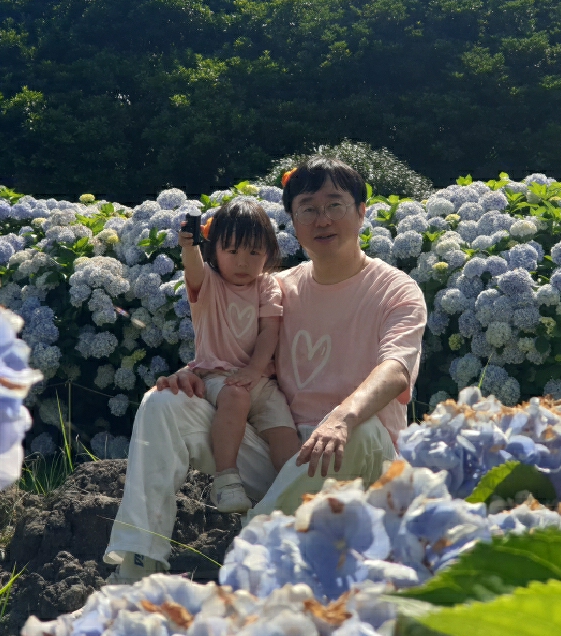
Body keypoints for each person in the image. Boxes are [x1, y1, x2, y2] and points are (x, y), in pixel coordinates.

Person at [104, 157, 427, 583]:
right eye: (308, 208)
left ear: (361, 211)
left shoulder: (395, 290)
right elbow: (238, 354)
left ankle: (249, 558)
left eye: (335, 205)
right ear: (293, 221)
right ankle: (139, 562)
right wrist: (195, 372)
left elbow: (396, 369)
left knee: (361, 429)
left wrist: (341, 418)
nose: (322, 219)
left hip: (360, 460)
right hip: (285, 452)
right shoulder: (277, 288)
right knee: (164, 402)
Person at [177, 198, 300, 514]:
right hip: (218, 376)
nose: (243, 262)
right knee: (235, 397)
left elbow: (269, 332)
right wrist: (190, 247)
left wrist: (255, 370)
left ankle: (293, 497)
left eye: (254, 253)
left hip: (261, 381)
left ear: (268, 253)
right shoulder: (208, 283)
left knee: (285, 435)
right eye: (232, 251)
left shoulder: (267, 286)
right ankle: (226, 481)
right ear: (214, 250)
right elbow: (193, 268)